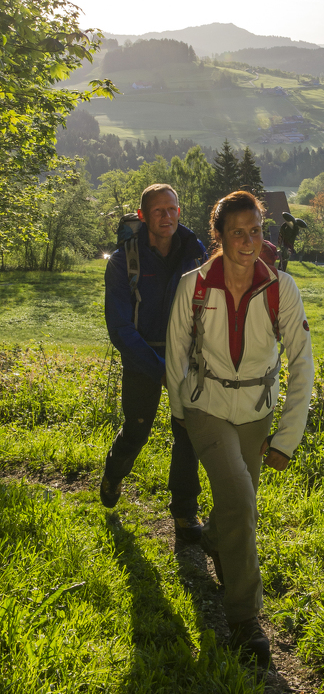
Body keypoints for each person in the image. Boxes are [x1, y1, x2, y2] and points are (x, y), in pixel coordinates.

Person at [166, 190, 314, 664]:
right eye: (237, 232)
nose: (249, 241)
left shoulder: (280, 288)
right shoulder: (194, 285)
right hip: (205, 405)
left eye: (255, 230)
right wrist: (179, 414)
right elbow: (174, 353)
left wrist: (287, 437)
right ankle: (245, 620)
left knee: (237, 504)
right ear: (220, 236)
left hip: (256, 411)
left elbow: (302, 362)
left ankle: (214, 540)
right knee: (240, 497)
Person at [101, 183, 208, 548]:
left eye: (173, 209)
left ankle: (184, 511)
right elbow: (119, 327)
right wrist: (157, 366)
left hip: (188, 357)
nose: (167, 216)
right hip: (141, 358)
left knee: (188, 432)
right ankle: (113, 472)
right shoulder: (123, 261)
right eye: (159, 211)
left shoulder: (196, 254)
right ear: (144, 216)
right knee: (138, 429)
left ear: (180, 211)